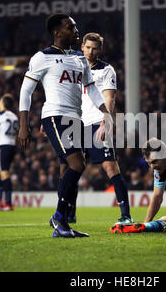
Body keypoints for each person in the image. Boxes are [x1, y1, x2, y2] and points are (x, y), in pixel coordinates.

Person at [18, 13, 113, 238]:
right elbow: (26, 91)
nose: (75, 30)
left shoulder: (79, 58)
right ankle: (59, 217)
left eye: (75, 26)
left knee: (68, 167)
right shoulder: (42, 57)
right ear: (57, 32)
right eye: (71, 27)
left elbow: (91, 89)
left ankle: (63, 223)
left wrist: (106, 113)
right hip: (55, 116)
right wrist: (24, 123)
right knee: (77, 164)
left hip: (76, 118)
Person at [62, 32, 131, 224]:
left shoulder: (106, 70)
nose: (91, 52)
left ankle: (126, 214)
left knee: (110, 167)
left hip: (96, 123)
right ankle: (70, 213)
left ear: (100, 50)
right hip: (75, 123)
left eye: (95, 48)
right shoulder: (72, 66)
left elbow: (110, 98)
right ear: (82, 46)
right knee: (73, 168)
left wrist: (105, 122)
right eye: (88, 47)